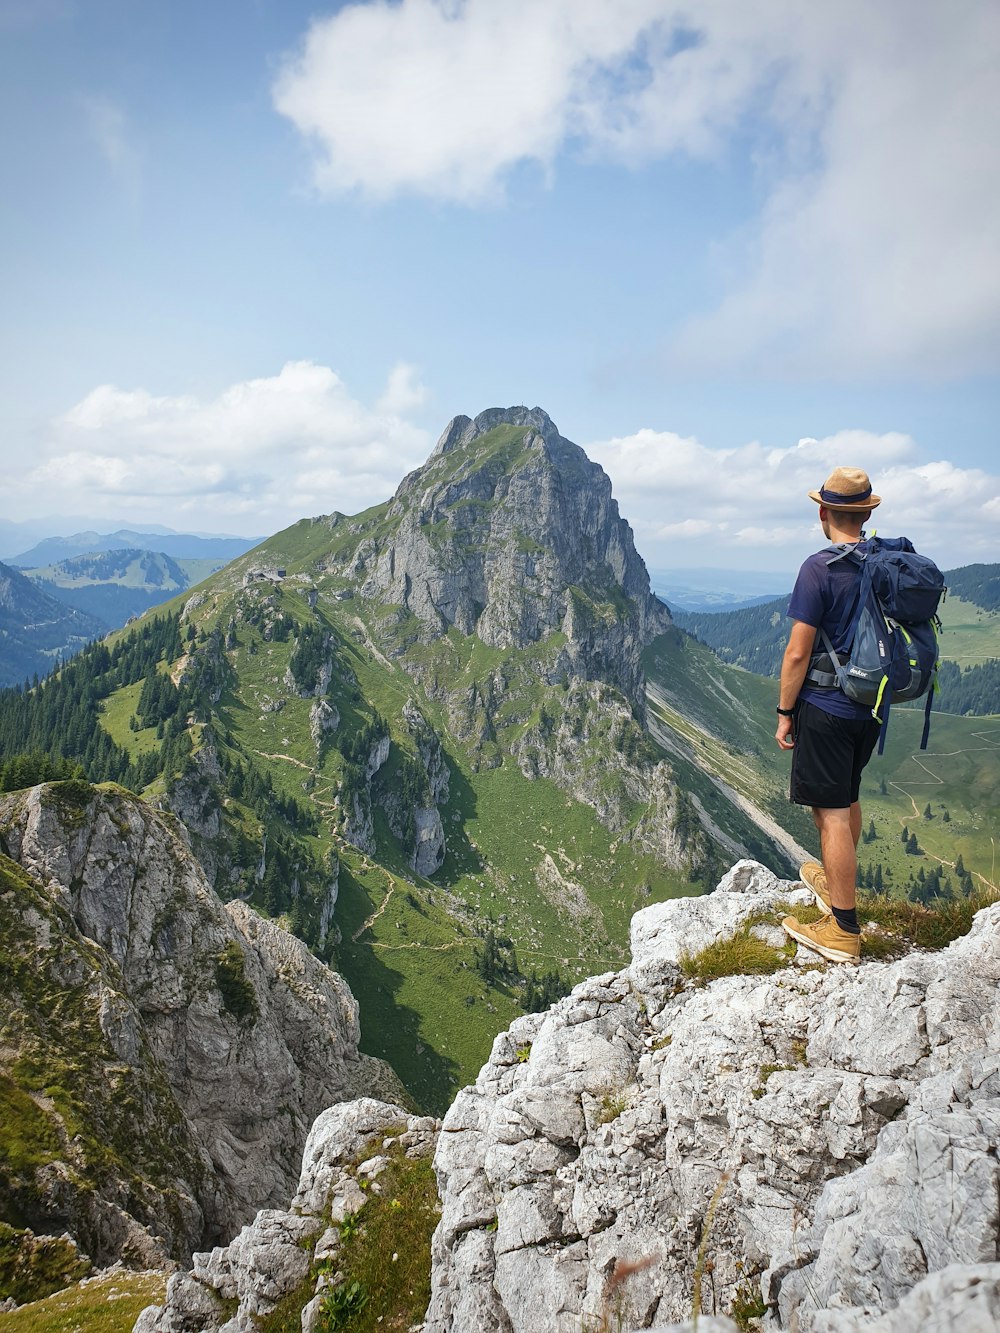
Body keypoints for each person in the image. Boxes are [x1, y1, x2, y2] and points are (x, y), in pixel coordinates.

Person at [775, 467, 884, 963]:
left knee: (830, 813)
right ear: (866, 512)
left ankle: (843, 928)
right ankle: (835, 882)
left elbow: (798, 653)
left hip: (827, 706)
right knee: (848, 794)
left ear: (823, 512)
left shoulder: (819, 567)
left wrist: (784, 712)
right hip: (872, 707)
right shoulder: (883, 563)